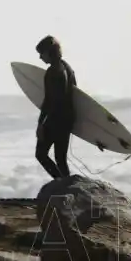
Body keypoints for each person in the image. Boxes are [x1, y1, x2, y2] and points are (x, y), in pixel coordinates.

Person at [34, 35, 77, 179]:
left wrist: (41, 124)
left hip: (55, 120)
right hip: (67, 120)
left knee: (40, 154)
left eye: (42, 53)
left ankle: (60, 184)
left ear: (49, 52)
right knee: (61, 159)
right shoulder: (68, 68)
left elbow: (49, 101)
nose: (40, 57)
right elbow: (76, 94)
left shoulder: (52, 72)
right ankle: (67, 186)